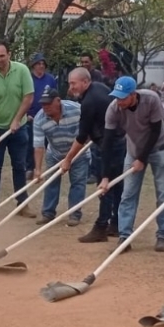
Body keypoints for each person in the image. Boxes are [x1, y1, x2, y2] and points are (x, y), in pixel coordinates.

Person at [100, 75, 164, 252]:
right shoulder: (113, 109)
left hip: (159, 148)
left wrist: (142, 159)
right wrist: (104, 177)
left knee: (163, 195)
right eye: (117, 97)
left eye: (123, 97)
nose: (119, 102)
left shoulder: (152, 99)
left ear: (133, 94)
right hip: (133, 151)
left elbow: (155, 131)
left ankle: (162, 235)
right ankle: (125, 237)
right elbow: (107, 143)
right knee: (128, 194)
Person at [60, 67, 127, 242]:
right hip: (119, 141)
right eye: (69, 84)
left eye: (73, 83)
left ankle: (101, 227)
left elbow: (82, 136)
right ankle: (117, 224)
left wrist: (68, 160)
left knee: (104, 187)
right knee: (117, 185)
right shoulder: (99, 87)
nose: (71, 87)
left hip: (107, 146)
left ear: (85, 82)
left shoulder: (89, 101)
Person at [0, 40, 36, 218]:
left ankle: (22, 204)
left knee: (19, 165)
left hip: (19, 128)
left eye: (2, 56)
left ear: (9, 54)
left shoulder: (22, 70)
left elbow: (28, 97)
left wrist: (17, 120)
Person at [32, 86, 88, 226]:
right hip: (55, 153)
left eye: (48, 103)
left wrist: (70, 158)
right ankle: (48, 213)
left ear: (58, 101)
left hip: (78, 153)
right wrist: (38, 169)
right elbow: (39, 145)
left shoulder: (77, 109)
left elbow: (90, 125)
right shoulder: (39, 118)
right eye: (43, 104)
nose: (45, 107)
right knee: (51, 183)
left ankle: (74, 214)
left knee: (78, 184)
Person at [25, 53, 57, 180]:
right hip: (32, 117)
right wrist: (26, 114)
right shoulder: (28, 79)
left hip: (47, 116)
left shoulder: (50, 79)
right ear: (33, 66)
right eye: (39, 63)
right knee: (31, 144)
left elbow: (55, 96)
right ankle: (29, 168)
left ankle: (49, 167)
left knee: (47, 143)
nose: (41, 66)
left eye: (43, 64)